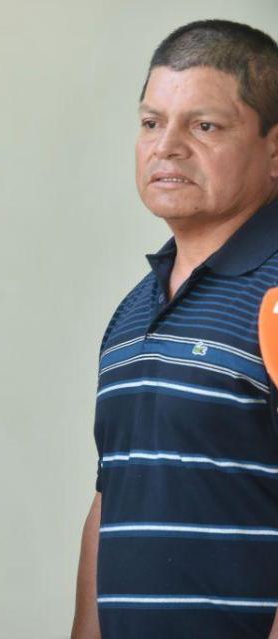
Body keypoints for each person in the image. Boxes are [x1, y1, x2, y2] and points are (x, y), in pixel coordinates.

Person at [70, 20, 278, 639]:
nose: (167, 147)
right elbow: (112, 500)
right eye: (151, 122)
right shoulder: (132, 312)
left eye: (204, 125)